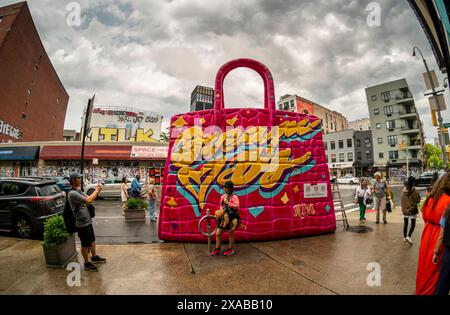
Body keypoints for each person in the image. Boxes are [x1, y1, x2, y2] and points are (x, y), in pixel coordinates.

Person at [416, 172, 450, 295]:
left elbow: (424, 216)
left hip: (427, 233)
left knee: (424, 266)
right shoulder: (448, 201)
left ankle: (421, 290)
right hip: (438, 235)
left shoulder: (430, 198)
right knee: (435, 270)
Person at [67, 172, 106, 272]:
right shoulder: (72, 193)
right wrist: (96, 190)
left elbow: (89, 197)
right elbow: (88, 200)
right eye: (78, 178)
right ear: (73, 180)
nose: (80, 179)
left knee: (92, 239)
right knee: (85, 244)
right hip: (81, 223)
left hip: (87, 220)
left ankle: (94, 256)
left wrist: (97, 192)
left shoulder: (78, 190)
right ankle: (86, 263)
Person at [210, 181, 240, 256]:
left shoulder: (234, 197)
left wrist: (228, 203)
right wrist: (219, 214)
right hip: (223, 217)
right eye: (225, 188)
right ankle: (217, 249)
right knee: (218, 233)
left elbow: (237, 206)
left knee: (230, 233)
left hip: (231, 217)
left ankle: (230, 249)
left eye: (227, 188)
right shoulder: (222, 196)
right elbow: (221, 207)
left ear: (231, 189)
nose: (225, 189)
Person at [433, 204, 450, 295]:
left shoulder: (447, 212)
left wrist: (436, 252)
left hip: (448, 255)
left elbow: (441, 236)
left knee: (442, 286)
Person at [401, 176, 421, 244]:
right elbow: (418, 200)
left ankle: (404, 237)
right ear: (413, 182)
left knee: (405, 224)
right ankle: (409, 236)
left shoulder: (403, 190)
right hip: (412, 210)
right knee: (413, 224)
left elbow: (402, 201)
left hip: (405, 210)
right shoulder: (414, 191)